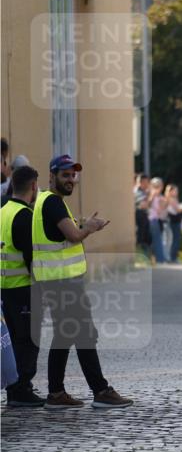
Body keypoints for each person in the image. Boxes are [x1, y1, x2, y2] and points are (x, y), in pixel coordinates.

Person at [32, 154, 132, 409]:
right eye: (65, 174)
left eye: (73, 175)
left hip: (56, 282)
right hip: (64, 283)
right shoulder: (53, 202)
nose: (71, 179)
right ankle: (100, 391)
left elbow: (61, 234)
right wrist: (90, 227)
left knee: (65, 336)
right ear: (52, 176)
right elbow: (74, 235)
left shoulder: (46, 201)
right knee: (84, 334)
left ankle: (56, 394)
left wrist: (82, 223)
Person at [1, 165, 44, 406]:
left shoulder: (2, 210)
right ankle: (20, 389)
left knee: (11, 341)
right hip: (22, 288)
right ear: (34, 186)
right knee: (27, 340)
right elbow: (32, 258)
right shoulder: (24, 216)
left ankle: (14, 388)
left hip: (3, 288)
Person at [148, 177, 167, 263]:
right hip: (153, 219)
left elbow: (161, 208)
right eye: (157, 185)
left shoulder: (158, 196)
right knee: (157, 240)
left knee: (156, 240)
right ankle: (160, 259)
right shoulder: (152, 194)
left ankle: (157, 259)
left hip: (155, 219)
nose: (159, 187)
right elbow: (157, 209)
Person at [165, 183, 182, 262]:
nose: (177, 192)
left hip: (175, 220)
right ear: (170, 191)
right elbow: (178, 210)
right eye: (175, 190)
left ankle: (173, 257)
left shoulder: (172, 199)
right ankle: (173, 257)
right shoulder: (171, 199)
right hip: (174, 221)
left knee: (174, 239)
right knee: (176, 239)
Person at [134, 173, 151, 258]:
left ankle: (144, 257)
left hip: (144, 217)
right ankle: (140, 257)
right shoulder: (138, 191)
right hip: (139, 216)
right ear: (142, 182)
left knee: (146, 238)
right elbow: (143, 205)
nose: (148, 184)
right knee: (140, 238)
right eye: (147, 182)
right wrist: (151, 196)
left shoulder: (144, 192)